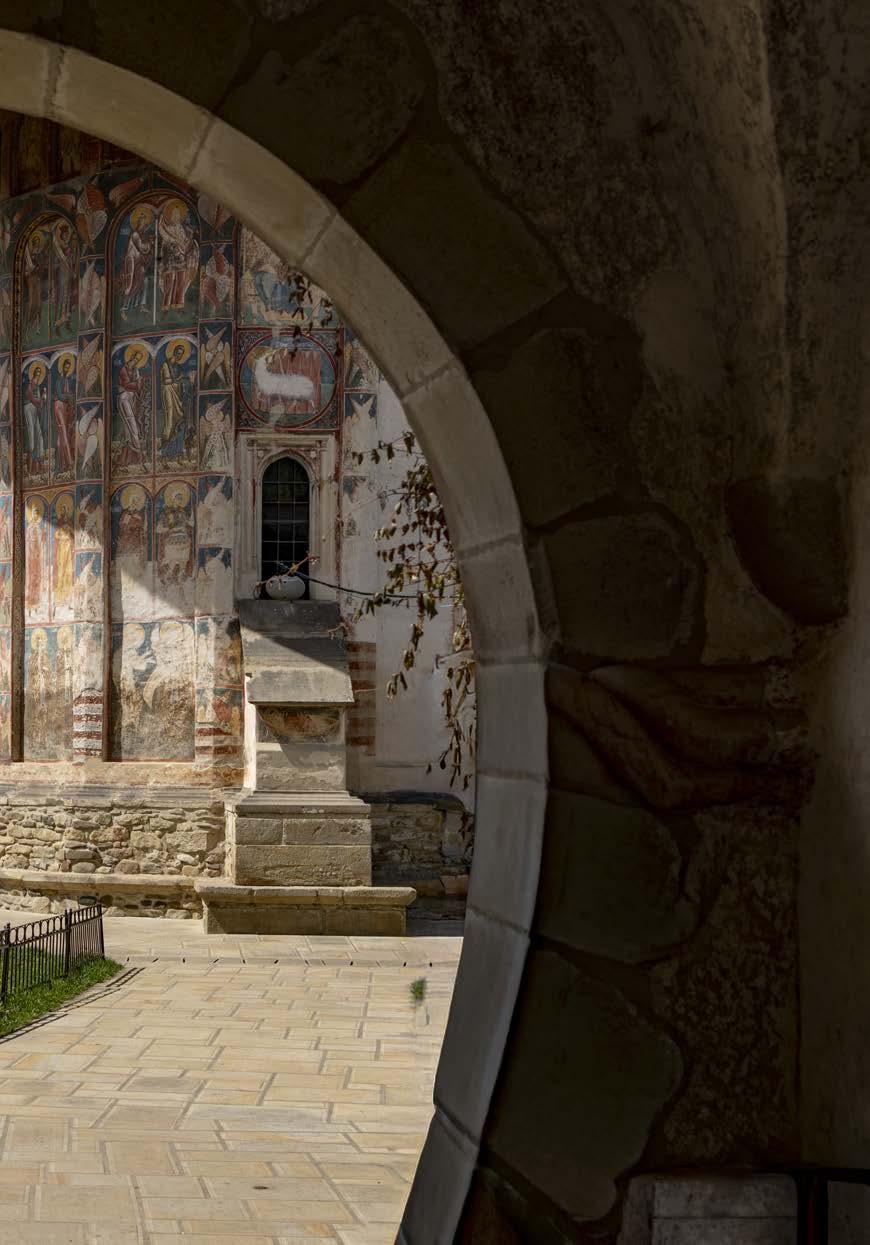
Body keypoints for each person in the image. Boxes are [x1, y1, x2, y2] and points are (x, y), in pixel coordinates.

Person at [158, 199, 197, 311]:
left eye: (178, 214)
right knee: (169, 282)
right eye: (175, 214)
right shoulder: (168, 228)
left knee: (181, 281)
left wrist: (187, 241)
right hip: (170, 259)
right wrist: (174, 242)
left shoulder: (182, 229)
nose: (177, 216)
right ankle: (166, 305)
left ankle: (179, 304)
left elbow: (185, 242)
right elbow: (165, 239)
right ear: (171, 216)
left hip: (181, 258)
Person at [120, 204, 153, 320]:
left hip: (139, 263)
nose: (145, 226)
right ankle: (123, 309)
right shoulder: (135, 234)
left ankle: (142, 305)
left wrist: (150, 246)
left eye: (146, 225)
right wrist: (149, 244)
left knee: (144, 281)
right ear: (139, 224)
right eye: (143, 224)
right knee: (131, 286)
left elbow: (144, 252)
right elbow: (141, 248)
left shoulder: (141, 236)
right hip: (132, 264)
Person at [117, 345, 147, 467]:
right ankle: (139, 456)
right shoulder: (123, 369)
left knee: (129, 431)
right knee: (132, 427)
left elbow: (138, 389)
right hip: (124, 398)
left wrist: (140, 384)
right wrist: (138, 383)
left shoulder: (135, 371)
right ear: (132, 356)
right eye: (136, 358)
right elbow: (126, 385)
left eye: (138, 360)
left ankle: (127, 459)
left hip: (132, 399)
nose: (136, 361)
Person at [160, 340, 190, 453]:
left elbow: (180, 380)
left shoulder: (178, 367)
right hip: (168, 391)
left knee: (180, 416)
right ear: (174, 352)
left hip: (176, 393)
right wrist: (178, 379)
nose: (179, 356)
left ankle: (175, 446)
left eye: (181, 354)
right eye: (178, 353)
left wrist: (183, 380)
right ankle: (165, 443)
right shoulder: (166, 365)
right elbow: (166, 381)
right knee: (170, 416)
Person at [53, 354, 76, 475]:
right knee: (64, 433)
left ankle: (61, 465)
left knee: (63, 435)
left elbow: (66, 395)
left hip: (65, 407)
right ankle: (70, 462)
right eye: (66, 367)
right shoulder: (59, 380)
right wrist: (69, 396)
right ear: (62, 367)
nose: (67, 369)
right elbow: (60, 395)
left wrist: (69, 396)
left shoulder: (66, 379)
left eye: (68, 367)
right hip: (59, 406)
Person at [22, 361, 46, 475]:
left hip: (35, 409)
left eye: (39, 373)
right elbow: (30, 397)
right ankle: (29, 468)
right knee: (31, 435)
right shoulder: (30, 384)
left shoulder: (38, 386)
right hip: (28, 408)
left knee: (39, 436)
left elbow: (39, 403)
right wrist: (40, 401)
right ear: (34, 373)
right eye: (37, 372)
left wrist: (43, 399)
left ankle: (37, 467)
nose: (38, 375)